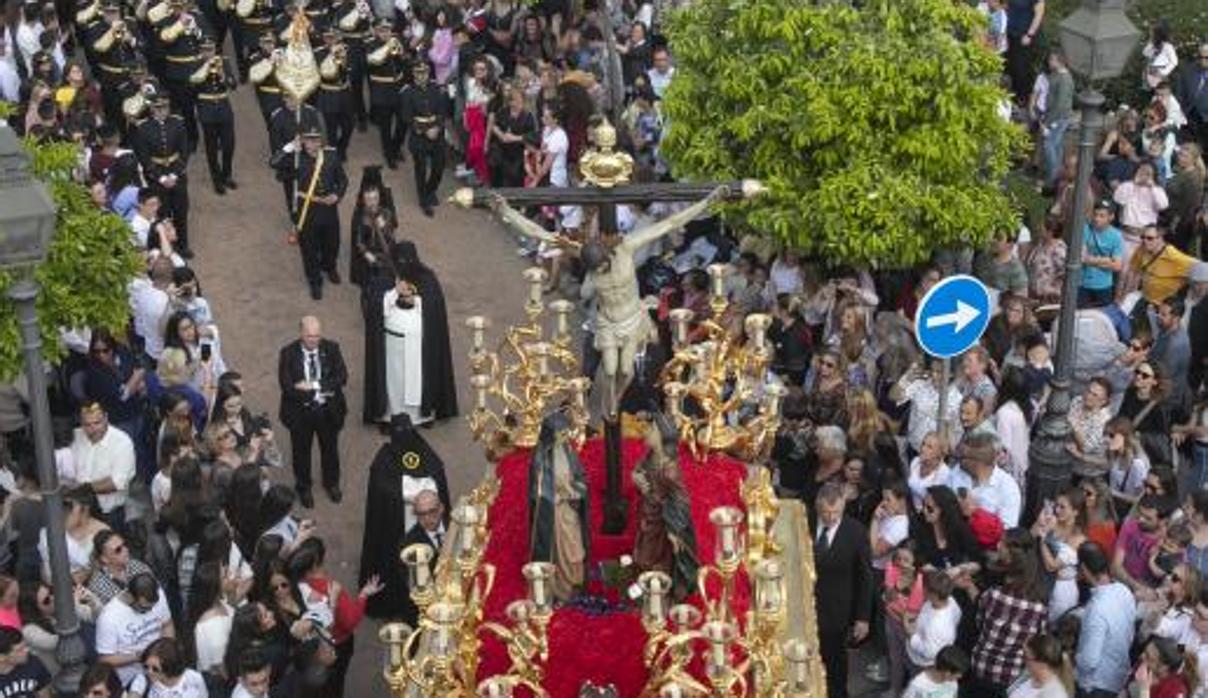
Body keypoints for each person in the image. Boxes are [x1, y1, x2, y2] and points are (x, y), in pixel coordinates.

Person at [490, 183, 737, 413]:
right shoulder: (582, 251)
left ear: (607, 257)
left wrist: (709, 200)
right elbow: (540, 233)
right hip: (608, 321)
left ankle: (616, 399)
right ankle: (610, 403)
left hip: (631, 319)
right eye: (593, 271)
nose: (598, 274)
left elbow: (671, 223)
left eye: (600, 268)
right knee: (609, 368)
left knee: (626, 369)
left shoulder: (627, 246)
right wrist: (506, 211)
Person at [358, 413, 451, 619]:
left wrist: (414, 492)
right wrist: (414, 492)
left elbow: (436, 480)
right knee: (395, 564)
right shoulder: (383, 460)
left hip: (425, 524)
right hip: (396, 524)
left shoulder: (426, 453)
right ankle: (395, 604)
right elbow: (382, 489)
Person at [362, 241, 458, 426]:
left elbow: (435, 306)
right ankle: (391, 417)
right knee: (394, 383)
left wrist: (416, 300)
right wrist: (393, 293)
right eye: (401, 260)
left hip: (419, 346)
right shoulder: (385, 277)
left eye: (409, 259)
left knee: (419, 379)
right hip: (392, 348)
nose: (405, 264)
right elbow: (373, 307)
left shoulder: (427, 277)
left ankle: (422, 416)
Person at [277, 316, 348, 508]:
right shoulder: (288, 353)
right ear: (301, 333)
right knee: (301, 453)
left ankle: (331, 484)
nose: (314, 340)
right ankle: (303, 487)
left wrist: (313, 385)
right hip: (300, 414)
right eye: (309, 336)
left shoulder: (332, 348)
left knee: (330, 450)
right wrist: (315, 394)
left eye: (317, 335)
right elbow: (287, 387)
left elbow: (342, 377)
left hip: (328, 411)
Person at [272, 127, 348, 301]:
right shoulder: (297, 159)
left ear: (321, 141)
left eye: (316, 139)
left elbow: (342, 180)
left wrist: (337, 194)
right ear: (304, 141)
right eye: (309, 140)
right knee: (309, 249)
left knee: (332, 243)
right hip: (307, 211)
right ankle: (315, 281)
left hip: (329, 209)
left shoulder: (331, 156)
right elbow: (273, 162)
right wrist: (290, 147)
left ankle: (330, 267)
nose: (313, 143)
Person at [813, 481, 872, 698]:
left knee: (835, 659)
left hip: (836, 610)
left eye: (835, 512)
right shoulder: (805, 521)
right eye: (825, 512)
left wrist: (863, 617)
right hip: (805, 603)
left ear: (843, 507)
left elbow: (865, 577)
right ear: (817, 507)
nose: (830, 517)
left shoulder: (856, 532)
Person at [632, 412, 699, 599]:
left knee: (656, 558)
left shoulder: (669, 470)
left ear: (661, 436)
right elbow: (639, 469)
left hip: (662, 521)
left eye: (651, 429)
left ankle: (660, 593)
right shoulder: (651, 456)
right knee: (644, 555)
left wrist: (674, 529)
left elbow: (682, 499)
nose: (646, 432)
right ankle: (649, 589)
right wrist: (636, 477)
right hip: (648, 515)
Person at [528, 411, 590, 602]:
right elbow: (537, 495)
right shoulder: (541, 461)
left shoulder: (568, 452)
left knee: (576, 551)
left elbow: (580, 478)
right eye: (561, 434)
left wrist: (576, 492)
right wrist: (555, 497)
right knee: (561, 553)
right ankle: (562, 588)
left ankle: (576, 583)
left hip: (570, 510)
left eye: (565, 433)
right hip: (554, 515)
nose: (565, 437)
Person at [131, 92, 192, 259]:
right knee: (162, 213)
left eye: (165, 106)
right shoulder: (143, 128)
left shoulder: (178, 123)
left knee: (181, 211)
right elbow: (144, 158)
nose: (162, 110)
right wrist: (162, 178)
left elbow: (184, 152)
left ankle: (183, 244)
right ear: (151, 108)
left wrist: (174, 174)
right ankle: (168, 246)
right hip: (156, 176)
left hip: (176, 172)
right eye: (158, 107)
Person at [1076, 541, 1136, 698]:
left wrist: (1074, 658)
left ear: (1083, 569)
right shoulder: (1124, 591)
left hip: (1096, 686)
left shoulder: (1096, 608)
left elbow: (1089, 661)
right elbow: (1129, 635)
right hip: (1118, 679)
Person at [95, 572, 175, 687]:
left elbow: (167, 624)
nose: (150, 610)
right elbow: (105, 659)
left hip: (161, 669)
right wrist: (138, 657)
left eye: (153, 606)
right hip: (130, 678)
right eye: (144, 608)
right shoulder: (109, 617)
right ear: (130, 596)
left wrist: (168, 650)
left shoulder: (159, 594)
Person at [71, 403, 136, 533]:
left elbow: (117, 483)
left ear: (106, 418)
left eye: (97, 423)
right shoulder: (76, 436)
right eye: (87, 425)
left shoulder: (122, 442)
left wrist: (83, 490)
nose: (93, 429)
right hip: (78, 511)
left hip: (108, 515)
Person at [398, 60, 449, 217]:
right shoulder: (407, 92)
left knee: (439, 167)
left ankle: (431, 189)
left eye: (425, 72)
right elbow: (406, 117)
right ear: (413, 74)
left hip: (437, 133)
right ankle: (423, 200)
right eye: (419, 73)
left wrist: (437, 127)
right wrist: (424, 130)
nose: (422, 76)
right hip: (419, 136)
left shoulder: (436, 89)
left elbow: (442, 112)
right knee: (420, 169)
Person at [1079, 199, 1124, 308]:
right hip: (1083, 284)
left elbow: (1117, 266)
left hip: (1104, 286)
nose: (1096, 218)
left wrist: (1090, 260)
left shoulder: (1116, 236)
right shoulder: (1086, 229)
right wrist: (1107, 260)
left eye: (1101, 216)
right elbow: (1082, 258)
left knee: (1102, 317)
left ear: (1111, 217)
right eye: (1095, 214)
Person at [126, 637, 208, 697]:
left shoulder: (193, 678)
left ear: (169, 666)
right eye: (146, 666)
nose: (149, 672)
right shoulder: (142, 680)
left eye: (155, 669)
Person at [1006, 633, 1071, 698]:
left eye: (1025, 656)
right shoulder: (1027, 676)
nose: (1024, 660)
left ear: (1042, 663)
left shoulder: (1055, 694)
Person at [0, 627, 50, 698]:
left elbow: (44, 693)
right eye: (19, 650)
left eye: (25, 646)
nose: (27, 650)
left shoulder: (33, 663)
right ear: (1, 657)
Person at [904, 645, 969, 698]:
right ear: (947, 673)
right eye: (958, 673)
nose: (960, 676)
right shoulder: (918, 685)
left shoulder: (952, 682)